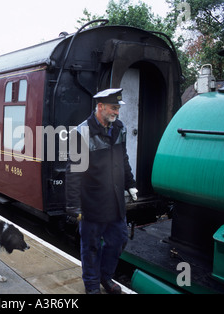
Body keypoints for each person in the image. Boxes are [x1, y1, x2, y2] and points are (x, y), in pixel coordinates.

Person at [65, 88, 138, 294]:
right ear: (100, 107)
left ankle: (105, 277)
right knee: (91, 247)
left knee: (119, 240)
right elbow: (73, 173)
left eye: (118, 108)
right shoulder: (81, 133)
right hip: (91, 204)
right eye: (113, 108)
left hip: (115, 202)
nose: (117, 112)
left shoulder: (119, 128)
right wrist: (73, 206)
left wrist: (130, 183)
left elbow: (123, 159)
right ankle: (91, 286)